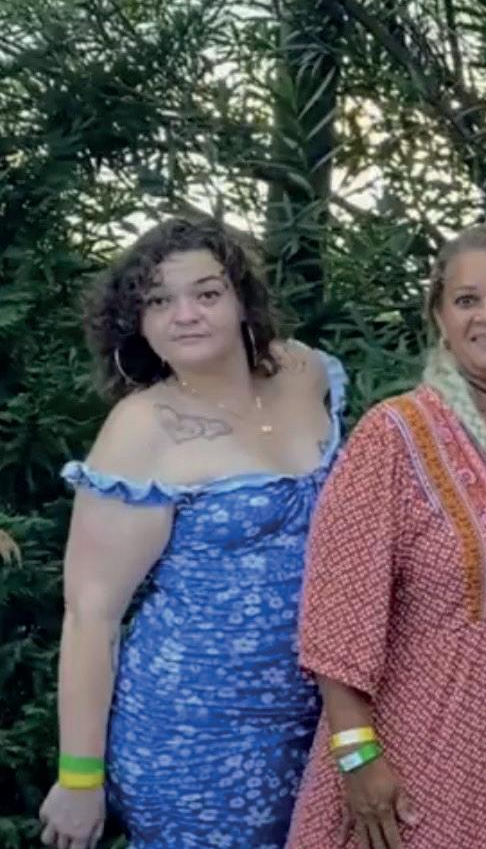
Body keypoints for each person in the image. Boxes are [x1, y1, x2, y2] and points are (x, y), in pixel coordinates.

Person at [38, 217, 346, 849]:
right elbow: (91, 615)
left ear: (241, 300)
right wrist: (79, 777)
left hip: (324, 720)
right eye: (159, 301)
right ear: (137, 323)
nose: (185, 315)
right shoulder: (140, 430)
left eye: (206, 293)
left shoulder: (304, 372)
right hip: (194, 736)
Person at [286, 223, 486, 849]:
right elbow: (337, 616)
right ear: (439, 317)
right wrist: (357, 756)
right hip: (420, 751)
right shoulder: (394, 435)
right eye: (467, 300)